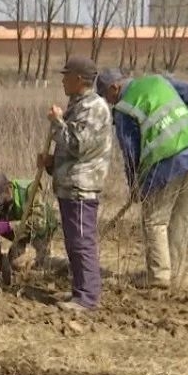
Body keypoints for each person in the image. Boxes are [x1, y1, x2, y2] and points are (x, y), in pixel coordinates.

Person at [96, 69, 188, 289]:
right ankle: (173, 273)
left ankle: (159, 277)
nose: (108, 103)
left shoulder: (124, 109)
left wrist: (135, 186)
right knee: (180, 218)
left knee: (155, 220)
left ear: (114, 88)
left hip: (165, 162)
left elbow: (130, 153)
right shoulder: (159, 81)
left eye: (107, 97)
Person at [37, 56, 112, 312]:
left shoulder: (94, 107)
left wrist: (57, 122)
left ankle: (87, 297)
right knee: (73, 241)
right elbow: (70, 150)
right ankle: (79, 291)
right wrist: (50, 162)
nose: (62, 80)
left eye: (66, 75)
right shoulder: (77, 105)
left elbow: (79, 145)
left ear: (79, 79)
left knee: (82, 241)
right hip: (70, 184)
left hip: (82, 186)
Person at [0, 172, 57, 281]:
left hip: (40, 231)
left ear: (9, 188)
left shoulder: (30, 190)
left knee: (28, 265)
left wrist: (9, 226)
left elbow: (39, 223)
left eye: (1, 200)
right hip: (18, 231)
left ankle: (62, 264)